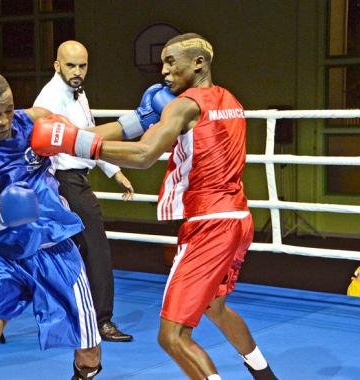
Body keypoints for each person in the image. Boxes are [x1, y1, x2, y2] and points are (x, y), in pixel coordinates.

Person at [31, 33, 277, 380]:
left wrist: (71, 141)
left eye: (170, 62)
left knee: (172, 336)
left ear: (198, 63)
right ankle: (264, 374)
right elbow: (123, 129)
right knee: (215, 306)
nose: (163, 70)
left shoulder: (184, 105)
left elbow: (145, 154)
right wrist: (82, 134)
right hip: (238, 217)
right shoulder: (229, 100)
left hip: (209, 224)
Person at [0, 70, 101, 380]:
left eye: (8, 110)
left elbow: (89, 140)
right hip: (3, 256)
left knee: (89, 353)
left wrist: (137, 123)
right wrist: (2, 214)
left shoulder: (36, 122)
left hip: (54, 250)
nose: (4, 121)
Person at [33, 40, 133, 342]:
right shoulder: (49, 98)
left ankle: (5, 313)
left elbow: (90, 136)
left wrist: (114, 171)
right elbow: (42, 137)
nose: (77, 72)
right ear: (57, 65)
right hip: (63, 180)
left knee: (63, 251)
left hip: (74, 177)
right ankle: (102, 321)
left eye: (82, 66)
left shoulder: (78, 92)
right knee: (96, 248)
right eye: (71, 65)